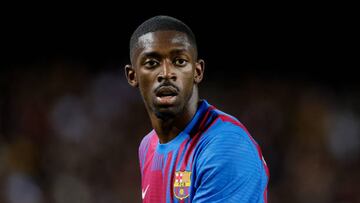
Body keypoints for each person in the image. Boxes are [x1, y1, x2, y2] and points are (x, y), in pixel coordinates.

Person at [125, 15, 269, 203]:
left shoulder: (227, 145)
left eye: (179, 61)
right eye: (152, 63)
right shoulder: (148, 145)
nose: (166, 74)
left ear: (197, 71)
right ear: (132, 76)